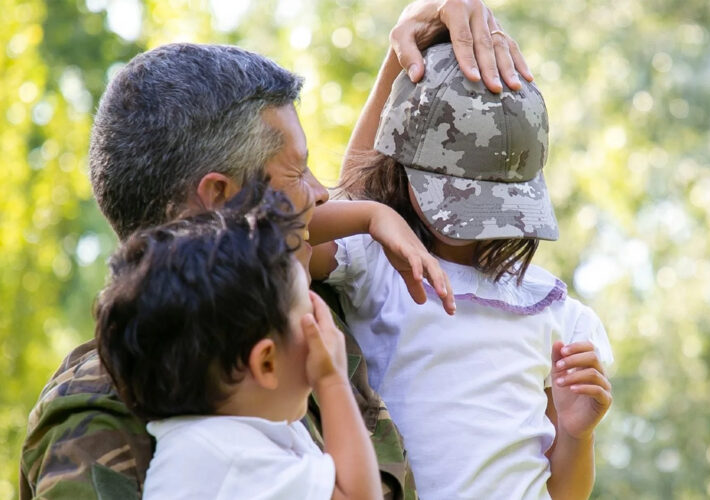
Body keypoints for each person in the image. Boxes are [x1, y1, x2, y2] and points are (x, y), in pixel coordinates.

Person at [19, 1, 534, 498]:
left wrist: (408, 49)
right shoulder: (97, 418)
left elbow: (359, 201)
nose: (322, 193)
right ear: (221, 198)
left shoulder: (295, 306)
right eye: (297, 171)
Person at [311, 43, 614, 500]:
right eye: (452, 188)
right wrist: (372, 216)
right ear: (402, 160)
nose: (464, 215)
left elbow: (565, 494)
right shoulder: (377, 259)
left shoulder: (554, 311)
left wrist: (577, 434)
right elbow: (281, 233)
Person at [95, 184, 381, 499]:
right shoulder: (227, 457)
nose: (322, 324)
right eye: (309, 312)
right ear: (266, 362)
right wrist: (333, 381)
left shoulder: (224, 441)